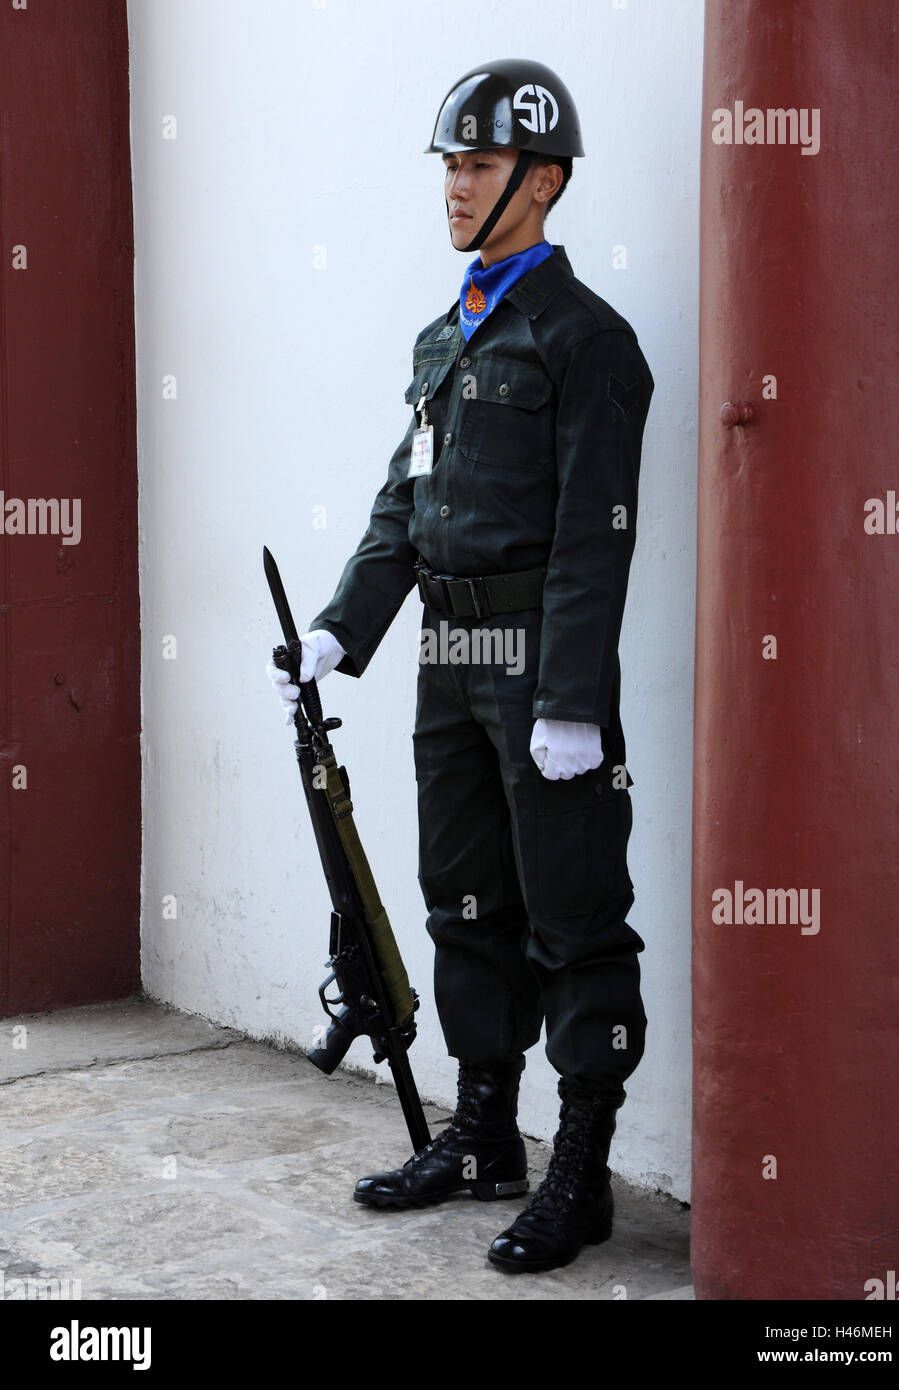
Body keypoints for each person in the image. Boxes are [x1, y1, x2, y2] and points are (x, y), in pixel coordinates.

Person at [267, 58, 654, 1274]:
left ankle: (579, 1167)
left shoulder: (587, 340)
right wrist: (340, 629)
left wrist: (573, 700)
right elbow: (405, 501)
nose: (454, 189)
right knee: (463, 897)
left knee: (576, 916)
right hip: (450, 646)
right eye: (449, 166)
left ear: (541, 183)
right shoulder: (451, 333)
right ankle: (485, 1132)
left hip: (540, 656)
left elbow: (600, 530)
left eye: (478, 167)